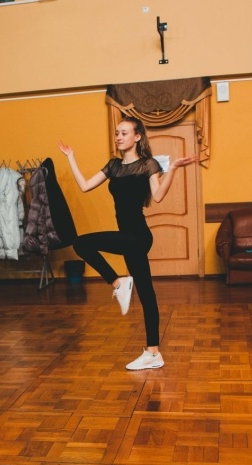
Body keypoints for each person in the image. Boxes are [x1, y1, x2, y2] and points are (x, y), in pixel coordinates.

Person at [58, 116, 195, 370]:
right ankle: (153, 353)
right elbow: (85, 186)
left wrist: (173, 168)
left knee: (81, 243)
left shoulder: (148, 164)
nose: (119, 137)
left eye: (124, 133)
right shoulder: (114, 166)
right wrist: (71, 157)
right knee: (146, 293)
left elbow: (158, 196)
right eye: (117, 133)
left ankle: (119, 284)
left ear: (137, 136)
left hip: (138, 236)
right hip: (127, 237)